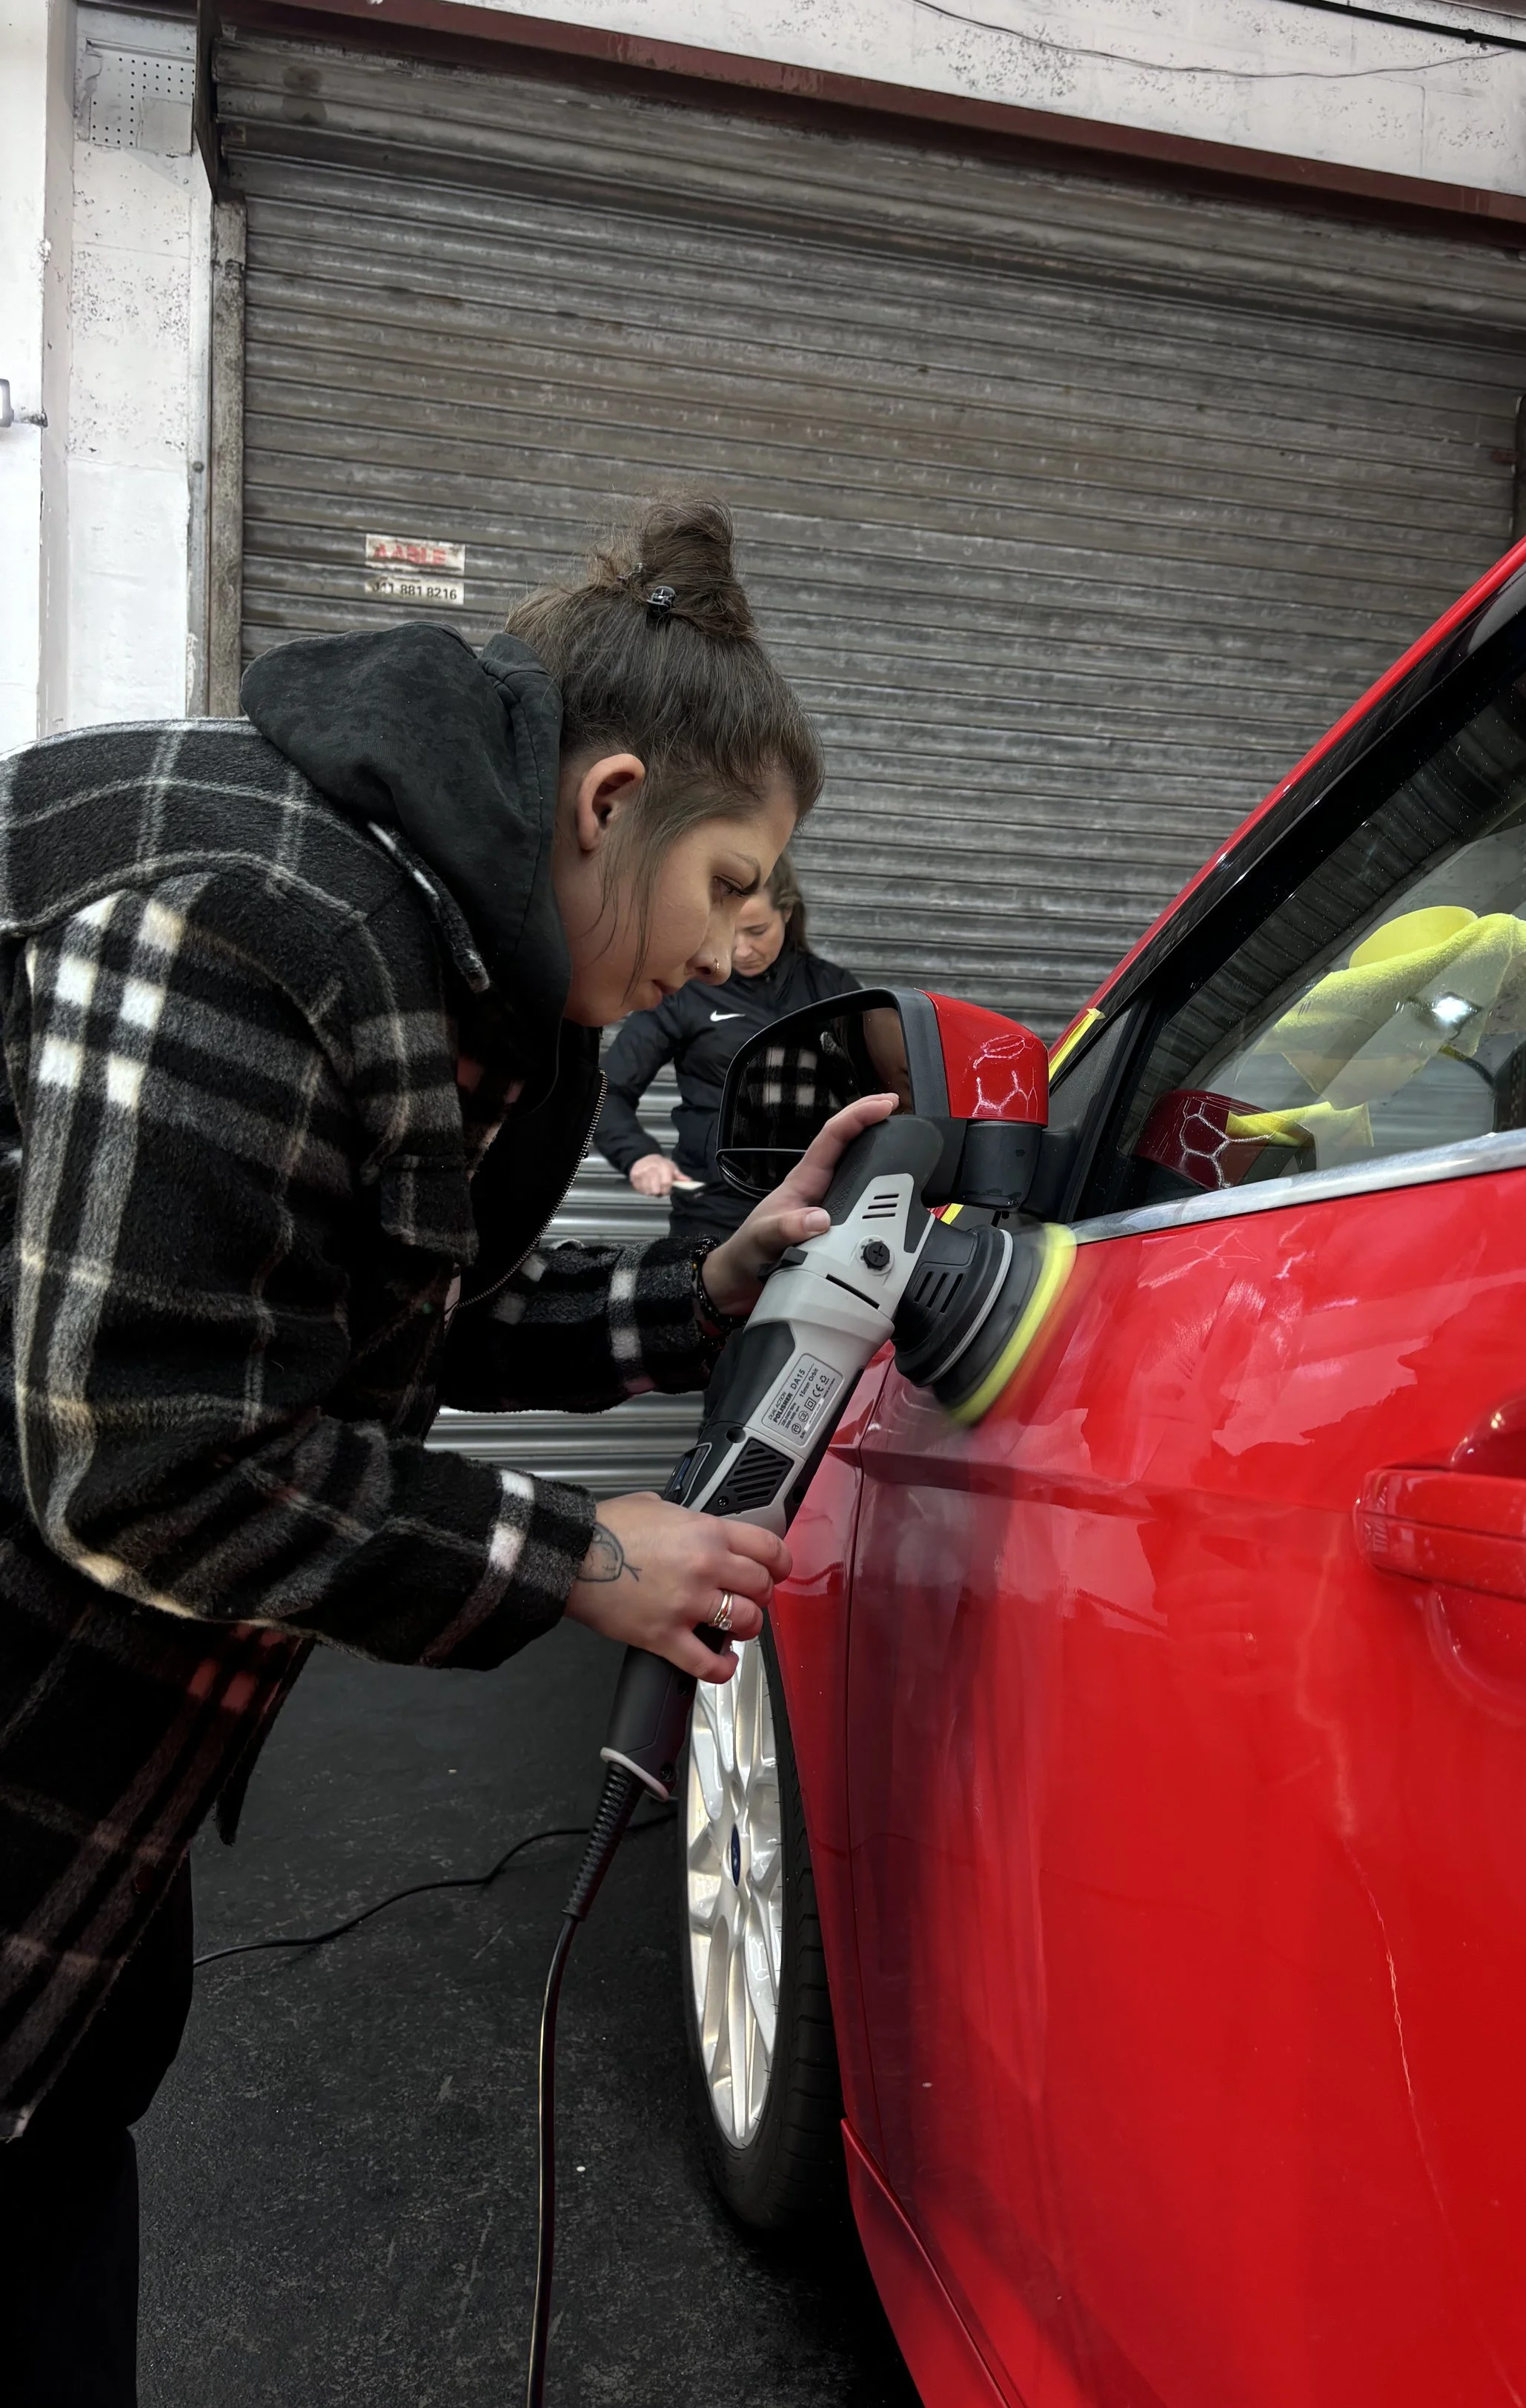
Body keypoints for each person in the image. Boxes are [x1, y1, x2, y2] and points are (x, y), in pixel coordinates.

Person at [0, 497, 894, 2400]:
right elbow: (151, 1459)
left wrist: (706, 1290)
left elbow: (378, 1312)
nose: (746, 955)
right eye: (735, 881)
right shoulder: (252, 917)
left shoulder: (458, 976)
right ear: (611, 797)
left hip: (88, 1824)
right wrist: (583, 1559)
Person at [596, 853, 862, 1243]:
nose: (739, 950)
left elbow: (877, 1093)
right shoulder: (686, 991)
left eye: (756, 930)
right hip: (713, 1208)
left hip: (819, 1206)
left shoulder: (833, 988)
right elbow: (606, 1089)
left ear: (786, 913)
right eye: (729, 929)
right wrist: (638, 1155)